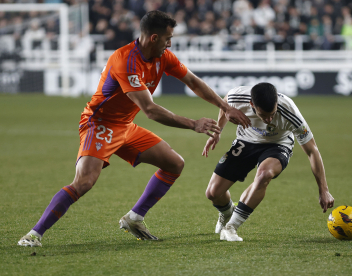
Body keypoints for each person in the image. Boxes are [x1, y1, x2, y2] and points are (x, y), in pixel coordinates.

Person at [18, 10, 250, 247]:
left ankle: (134, 217)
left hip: (125, 125)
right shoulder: (125, 60)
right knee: (84, 182)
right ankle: (34, 235)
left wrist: (225, 106)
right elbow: (150, 110)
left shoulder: (164, 57)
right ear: (153, 38)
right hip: (100, 124)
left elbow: (192, 81)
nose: (170, 43)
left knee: (174, 163)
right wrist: (193, 124)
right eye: (167, 38)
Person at [203, 83, 334, 242]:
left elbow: (312, 151)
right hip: (246, 139)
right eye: (263, 115)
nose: (269, 119)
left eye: (272, 114)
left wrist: (324, 190)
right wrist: (218, 130)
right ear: (252, 104)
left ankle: (231, 227)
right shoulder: (238, 97)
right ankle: (227, 212)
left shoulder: (290, 112)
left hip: (277, 145)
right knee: (213, 193)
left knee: (264, 174)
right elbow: (225, 103)